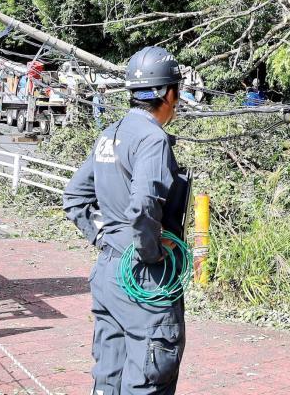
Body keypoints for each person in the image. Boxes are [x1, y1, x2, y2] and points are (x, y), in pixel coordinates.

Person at [63, 46, 187, 395]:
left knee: (109, 374)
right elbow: (144, 206)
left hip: (108, 272)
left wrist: (104, 239)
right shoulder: (153, 139)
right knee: (149, 374)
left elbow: (74, 197)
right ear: (170, 94)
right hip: (143, 279)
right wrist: (152, 252)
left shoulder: (111, 133)